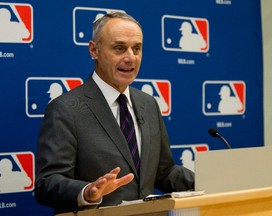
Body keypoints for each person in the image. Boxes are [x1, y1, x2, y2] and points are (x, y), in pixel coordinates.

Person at [35, 12, 194, 214]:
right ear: (94, 50)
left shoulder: (148, 103)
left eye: (137, 49)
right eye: (119, 48)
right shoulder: (66, 109)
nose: (130, 57)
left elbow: (164, 172)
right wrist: (87, 192)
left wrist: (215, 182)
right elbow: (47, 183)